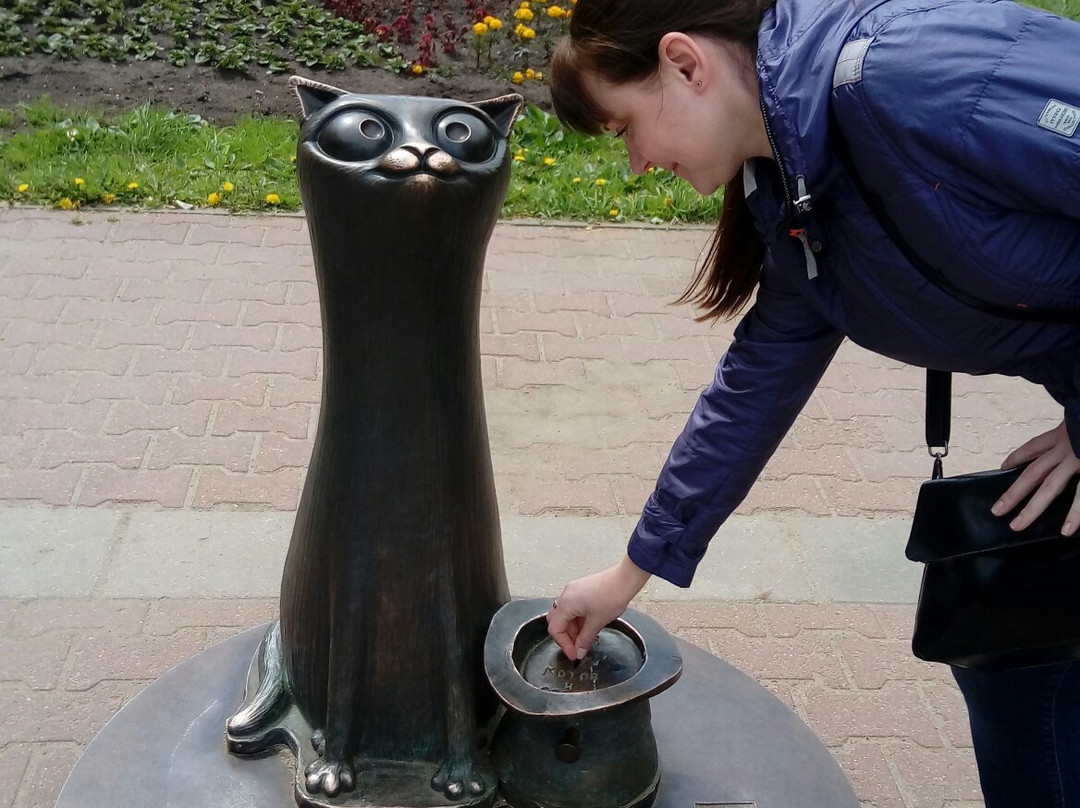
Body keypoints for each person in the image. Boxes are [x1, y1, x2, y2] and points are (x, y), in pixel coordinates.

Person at [541, 0, 1080, 803]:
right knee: (1018, 669)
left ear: (685, 63)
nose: (635, 165)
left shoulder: (909, 80)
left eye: (623, 128)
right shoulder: (798, 193)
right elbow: (754, 388)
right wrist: (628, 574)